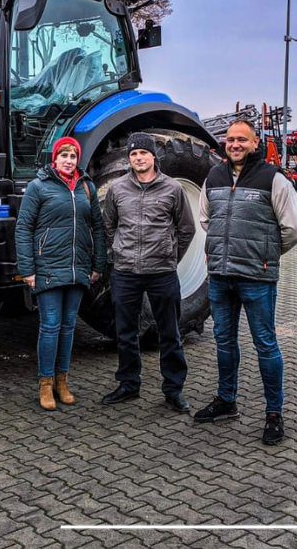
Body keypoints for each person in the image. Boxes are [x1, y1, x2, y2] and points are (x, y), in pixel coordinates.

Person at [194, 119, 297, 445]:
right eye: (230, 139)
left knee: (265, 344)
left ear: (255, 143)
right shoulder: (213, 177)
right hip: (220, 276)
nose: (235, 144)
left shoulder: (273, 179)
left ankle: (274, 414)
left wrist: (264, 254)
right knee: (224, 341)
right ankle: (226, 400)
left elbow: (293, 229)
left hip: (256, 276)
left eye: (242, 139)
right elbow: (206, 219)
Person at [100, 132, 196, 413]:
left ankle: (173, 389)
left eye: (143, 153)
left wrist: (170, 256)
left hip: (161, 273)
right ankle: (128, 383)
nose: (138, 158)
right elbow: (109, 226)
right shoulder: (117, 189)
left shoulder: (172, 189)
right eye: (133, 154)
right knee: (126, 333)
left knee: (170, 333)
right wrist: (118, 252)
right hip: (126, 272)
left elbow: (186, 229)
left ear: (153, 156)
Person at [16, 136, 107, 410]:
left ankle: (62, 381)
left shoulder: (86, 187)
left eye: (73, 156)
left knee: (68, 327)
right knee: (50, 326)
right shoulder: (38, 187)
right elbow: (23, 228)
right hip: (48, 266)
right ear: (54, 159)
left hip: (78, 267)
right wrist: (27, 269)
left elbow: (98, 228)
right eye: (64, 156)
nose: (69, 161)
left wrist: (97, 264)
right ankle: (45, 383)